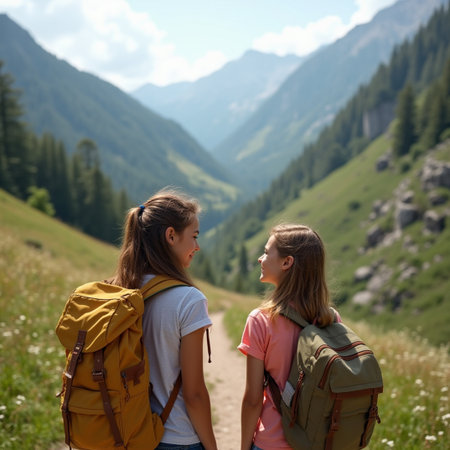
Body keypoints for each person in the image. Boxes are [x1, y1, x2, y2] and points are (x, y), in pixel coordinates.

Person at [112, 188, 217, 450]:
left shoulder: (120, 291)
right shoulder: (188, 300)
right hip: (176, 437)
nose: (197, 246)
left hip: (127, 433)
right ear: (171, 235)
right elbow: (193, 395)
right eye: (193, 236)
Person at [238, 224, 341, 450]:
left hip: (272, 442)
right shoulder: (330, 318)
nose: (259, 258)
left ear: (287, 262)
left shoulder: (261, 320)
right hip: (316, 442)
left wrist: (244, 447)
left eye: (266, 252)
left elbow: (253, 399)